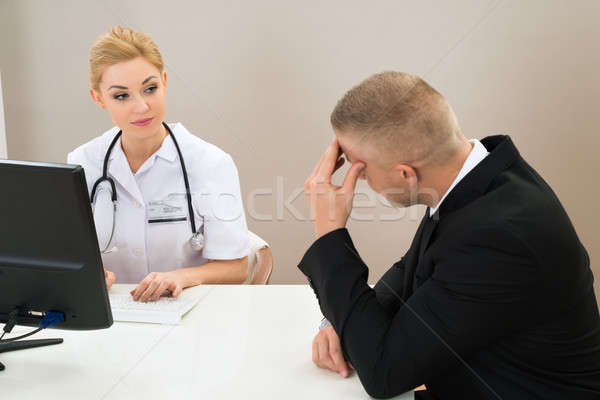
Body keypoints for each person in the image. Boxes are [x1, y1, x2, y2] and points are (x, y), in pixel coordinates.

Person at [299, 71, 600, 399]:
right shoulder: (481, 177)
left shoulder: (496, 237)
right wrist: (340, 322)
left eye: (361, 169)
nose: (359, 182)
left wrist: (329, 232)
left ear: (405, 174)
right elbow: (413, 269)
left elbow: (383, 372)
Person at [68, 26, 249, 302]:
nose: (141, 106)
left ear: (164, 82)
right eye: (121, 95)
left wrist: (182, 277)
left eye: (150, 89)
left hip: (190, 318)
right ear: (98, 98)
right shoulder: (82, 163)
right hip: (111, 318)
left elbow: (237, 267)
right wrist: (88, 273)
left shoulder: (210, 163)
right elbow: (68, 256)